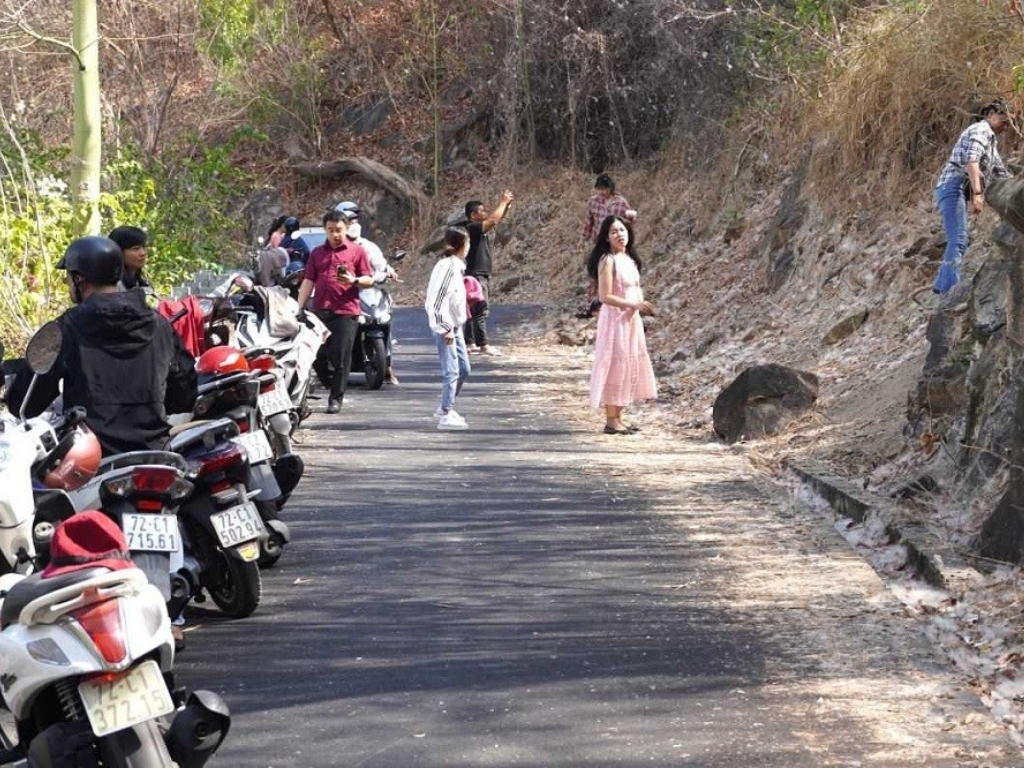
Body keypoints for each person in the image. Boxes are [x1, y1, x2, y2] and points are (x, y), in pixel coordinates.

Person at [8, 236, 198, 456]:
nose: (68, 284)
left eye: (68, 277)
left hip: (91, 461)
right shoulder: (160, 325)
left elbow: (24, 404)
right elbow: (185, 396)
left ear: (79, 279)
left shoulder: (65, 328)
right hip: (155, 455)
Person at [296, 209, 373, 414]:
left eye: (338, 230)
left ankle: (335, 399)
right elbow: (308, 280)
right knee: (316, 354)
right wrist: (299, 307)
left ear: (346, 228)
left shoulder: (357, 251)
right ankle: (331, 383)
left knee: (341, 356)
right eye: (330, 230)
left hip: (346, 311)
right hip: (320, 310)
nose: (335, 234)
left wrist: (353, 280)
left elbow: (369, 279)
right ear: (325, 230)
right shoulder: (316, 253)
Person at [933, 99, 1014, 294]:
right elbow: (972, 162)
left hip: (957, 187)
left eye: (1010, 124)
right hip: (953, 186)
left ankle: (943, 288)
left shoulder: (991, 140)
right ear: (991, 114)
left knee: (960, 240)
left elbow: (1000, 173)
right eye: (1004, 121)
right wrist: (977, 194)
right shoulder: (980, 130)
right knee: (958, 240)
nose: (1006, 127)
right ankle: (947, 291)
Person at [586, 215, 657, 434]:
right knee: (615, 365)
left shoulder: (629, 259)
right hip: (615, 320)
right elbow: (605, 296)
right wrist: (633, 304)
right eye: (614, 231)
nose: (619, 235)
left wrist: (641, 305)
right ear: (606, 237)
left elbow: (634, 288)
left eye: (622, 230)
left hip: (630, 319)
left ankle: (618, 416)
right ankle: (611, 420)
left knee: (629, 363)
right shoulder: (607, 260)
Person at [335, 200, 400, 384]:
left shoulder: (368, 246)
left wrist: (389, 271)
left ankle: (387, 365)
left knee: (385, 319)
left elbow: (381, 265)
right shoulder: (335, 247)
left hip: (370, 292)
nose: (354, 224)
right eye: (350, 221)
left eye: (356, 220)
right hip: (345, 296)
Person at [425, 227, 472, 430]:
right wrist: (445, 327)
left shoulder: (457, 267)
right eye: (468, 243)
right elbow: (436, 301)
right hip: (445, 326)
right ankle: (445, 412)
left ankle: (447, 406)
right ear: (463, 245)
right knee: (451, 370)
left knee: (463, 369)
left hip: (455, 324)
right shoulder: (447, 267)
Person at [462, 190, 514, 355]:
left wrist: (505, 207)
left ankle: (470, 343)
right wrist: (503, 202)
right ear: (473, 215)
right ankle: (483, 345)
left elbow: (495, 220)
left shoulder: (476, 228)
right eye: (482, 210)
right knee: (481, 309)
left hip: (475, 273)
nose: (485, 213)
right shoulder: (472, 227)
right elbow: (493, 220)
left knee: (472, 310)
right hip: (477, 275)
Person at [582, 174, 636, 242]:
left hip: (614, 242)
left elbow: (631, 222)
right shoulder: (593, 201)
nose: (601, 192)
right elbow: (588, 222)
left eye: (604, 189)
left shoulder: (621, 203)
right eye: (599, 189)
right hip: (597, 242)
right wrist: (584, 239)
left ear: (611, 188)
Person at [108, 225, 153, 294]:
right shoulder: (112, 285)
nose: (143, 253)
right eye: (136, 248)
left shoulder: (142, 282)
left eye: (144, 247)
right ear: (118, 251)